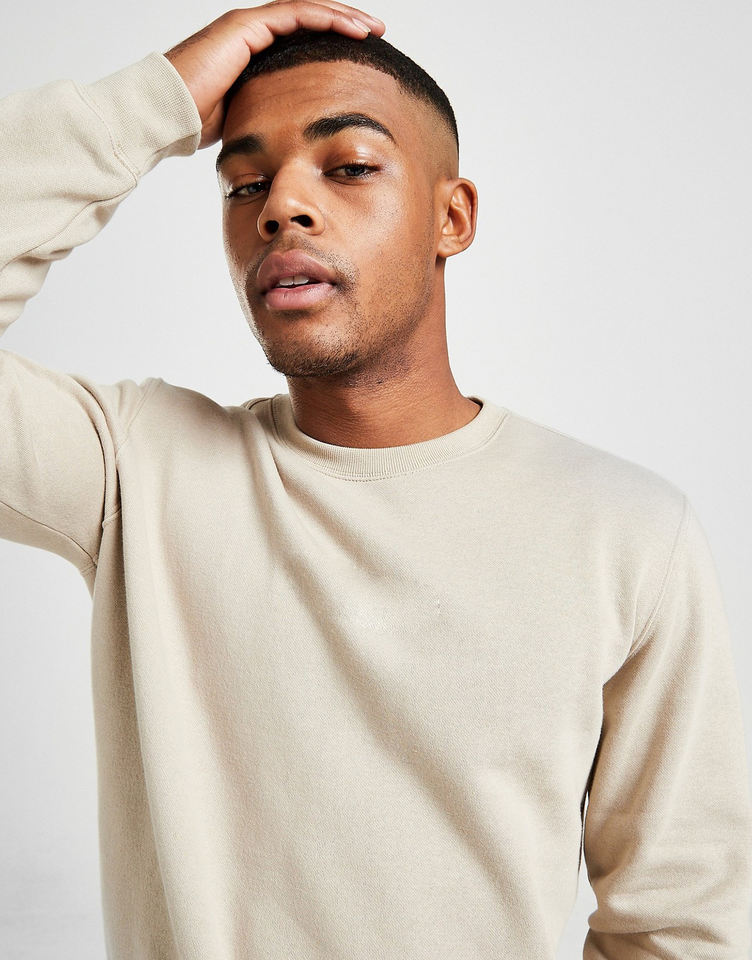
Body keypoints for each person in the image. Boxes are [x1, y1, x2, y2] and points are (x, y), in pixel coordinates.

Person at [1, 2, 750, 957]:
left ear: (452, 217)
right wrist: (149, 105)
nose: (280, 207)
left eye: (349, 166)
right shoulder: (134, 468)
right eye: (244, 184)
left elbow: (681, 927)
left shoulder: (627, 533)